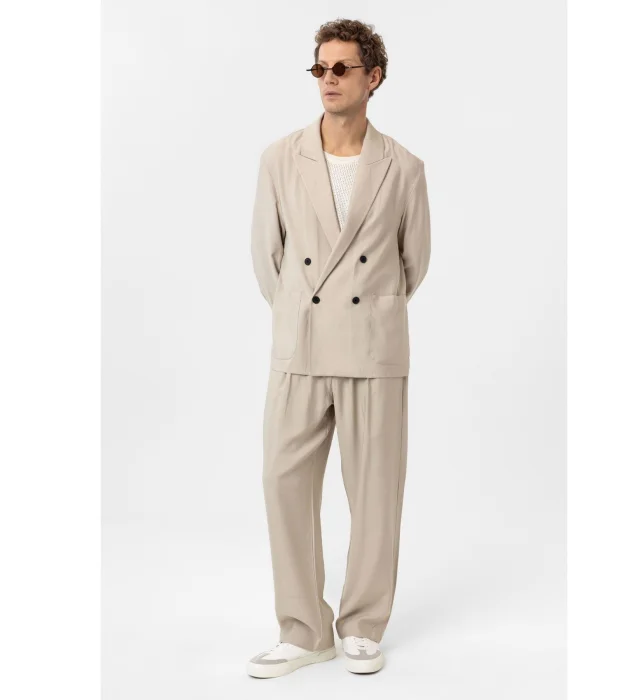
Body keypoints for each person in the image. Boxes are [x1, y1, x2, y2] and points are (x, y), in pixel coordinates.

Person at [247, 18, 431, 678]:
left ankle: (361, 625)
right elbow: (267, 256)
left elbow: (413, 263)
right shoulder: (280, 158)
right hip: (300, 346)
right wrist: (299, 313)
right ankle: (303, 629)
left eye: (342, 68)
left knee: (376, 492)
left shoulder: (403, 167)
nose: (328, 79)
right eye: (320, 68)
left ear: (372, 77)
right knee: (283, 483)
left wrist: (371, 313)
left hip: (372, 350)